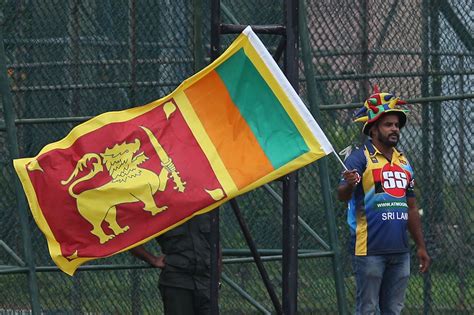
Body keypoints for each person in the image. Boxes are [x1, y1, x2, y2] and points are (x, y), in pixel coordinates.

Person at [337, 86, 431, 314]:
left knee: (394, 309)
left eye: (397, 125)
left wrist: (420, 246)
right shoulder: (360, 158)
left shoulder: (404, 162)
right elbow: (342, 195)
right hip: (369, 251)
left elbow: (411, 207)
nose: (395, 129)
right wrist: (350, 184)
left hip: (400, 252)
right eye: (388, 124)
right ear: (373, 129)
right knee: (367, 309)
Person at [130, 213, 215, 315]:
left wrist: (216, 280)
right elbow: (130, 238)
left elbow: (216, 244)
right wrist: (152, 259)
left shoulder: (206, 206)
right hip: (177, 283)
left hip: (206, 283)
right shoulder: (162, 209)